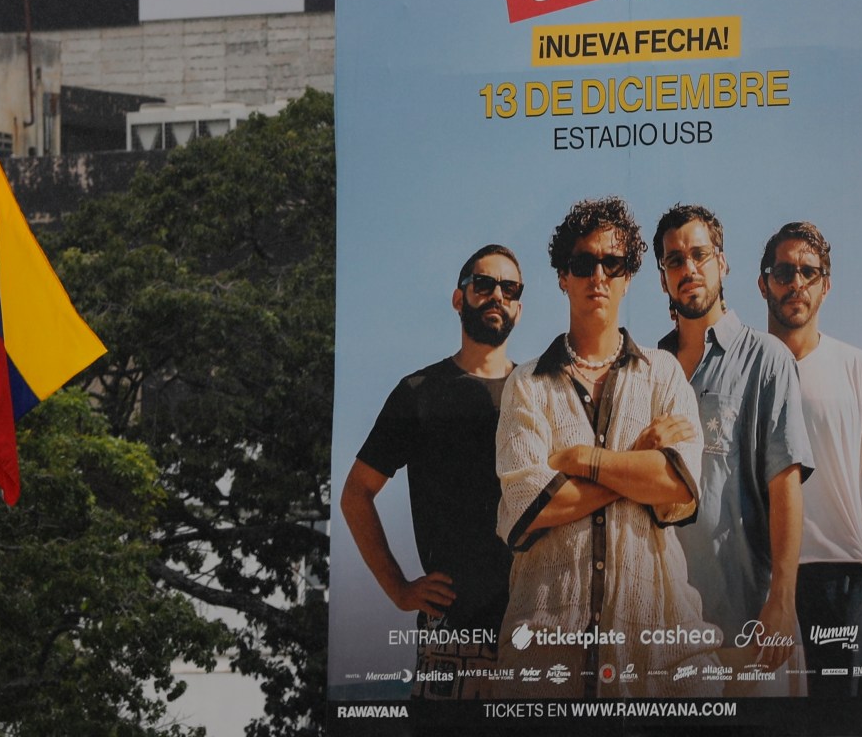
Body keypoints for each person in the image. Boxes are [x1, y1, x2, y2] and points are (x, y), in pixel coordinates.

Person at [496, 196, 717, 699]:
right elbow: (529, 504)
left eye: (612, 262)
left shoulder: (663, 372)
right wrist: (635, 464)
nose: (598, 275)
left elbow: (677, 488)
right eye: (583, 263)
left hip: (660, 657)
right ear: (562, 276)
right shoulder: (527, 384)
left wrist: (582, 461)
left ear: (629, 275)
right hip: (544, 662)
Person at [340, 245, 525, 698]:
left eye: (509, 288)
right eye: (484, 285)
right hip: (451, 642)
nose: (496, 295)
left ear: (519, 305)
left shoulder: (540, 394)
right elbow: (356, 494)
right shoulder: (418, 393)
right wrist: (399, 588)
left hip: (534, 636)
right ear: (459, 299)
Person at [654, 203, 809, 689]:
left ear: (722, 264)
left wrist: (781, 601)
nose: (689, 269)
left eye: (700, 255)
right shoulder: (646, 371)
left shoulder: (767, 359)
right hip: (665, 633)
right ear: (663, 278)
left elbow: (785, 484)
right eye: (675, 261)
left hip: (746, 628)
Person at [759, 220, 862, 696]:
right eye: (784, 272)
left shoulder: (859, 369)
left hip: (840, 581)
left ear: (826, 284)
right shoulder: (742, 374)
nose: (796, 282)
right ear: (763, 281)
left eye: (809, 271)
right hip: (756, 582)